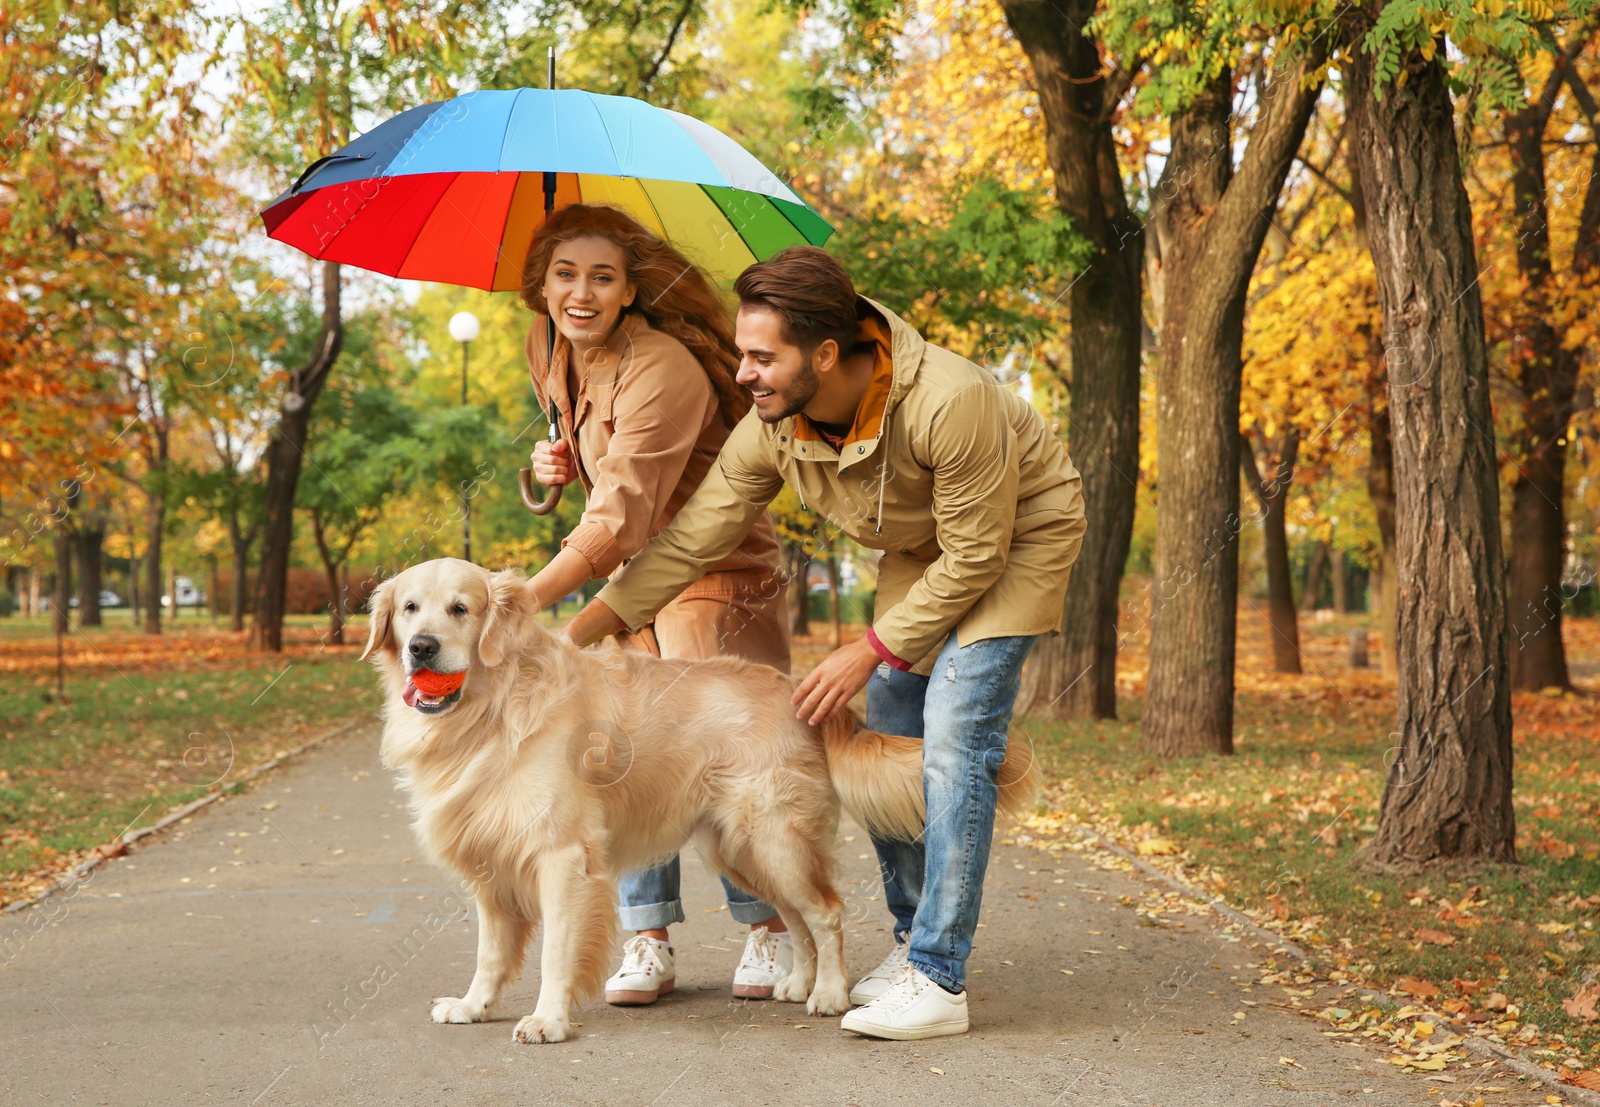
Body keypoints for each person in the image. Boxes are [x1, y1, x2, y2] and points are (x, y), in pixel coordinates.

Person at [561, 246, 1086, 1040]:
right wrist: (574, 633)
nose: (743, 373)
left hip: (1017, 542)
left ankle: (941, 976)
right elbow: (688, 543)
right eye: (744, 352)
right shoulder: (776, 420)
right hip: (924, 551)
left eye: (762, 356)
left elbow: (978, 554)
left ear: (827, 354)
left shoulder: (952, 400)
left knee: (953, 724)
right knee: (889, 714)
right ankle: (911, 940)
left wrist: (865, 646)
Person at [518, 203, 794, 1006]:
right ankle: (648, 939)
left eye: (603, 277)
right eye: (565, 274)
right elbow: (593, 487)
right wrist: (552, 469)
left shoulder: (664, 364)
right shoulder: (548, 348)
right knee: (615, 757)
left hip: (712, 576)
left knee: (721, 755)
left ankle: (770, 929)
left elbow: (623, 513)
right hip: (629, 585)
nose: (582, 292)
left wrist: (524, 602)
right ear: (540, 287)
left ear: (631, 289)